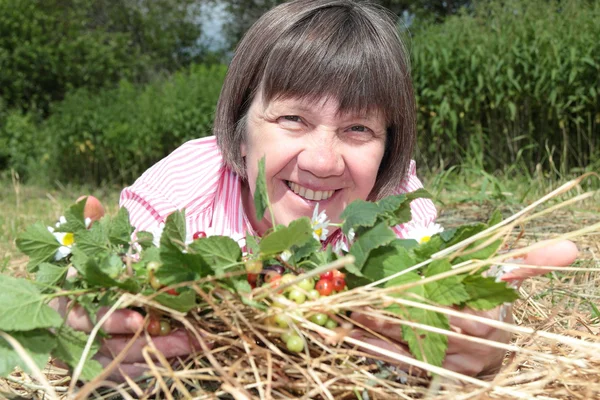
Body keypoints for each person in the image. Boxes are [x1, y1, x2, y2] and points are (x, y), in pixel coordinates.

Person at [63, 0, 578, 381]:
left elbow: (449, 289)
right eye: (292, 119)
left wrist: (487, 326)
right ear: (241, 129)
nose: (323, 160)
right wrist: (81, 318)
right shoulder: (186, 188)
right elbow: (97, 289)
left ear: (388, 149)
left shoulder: (391, 208)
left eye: (358, 130)